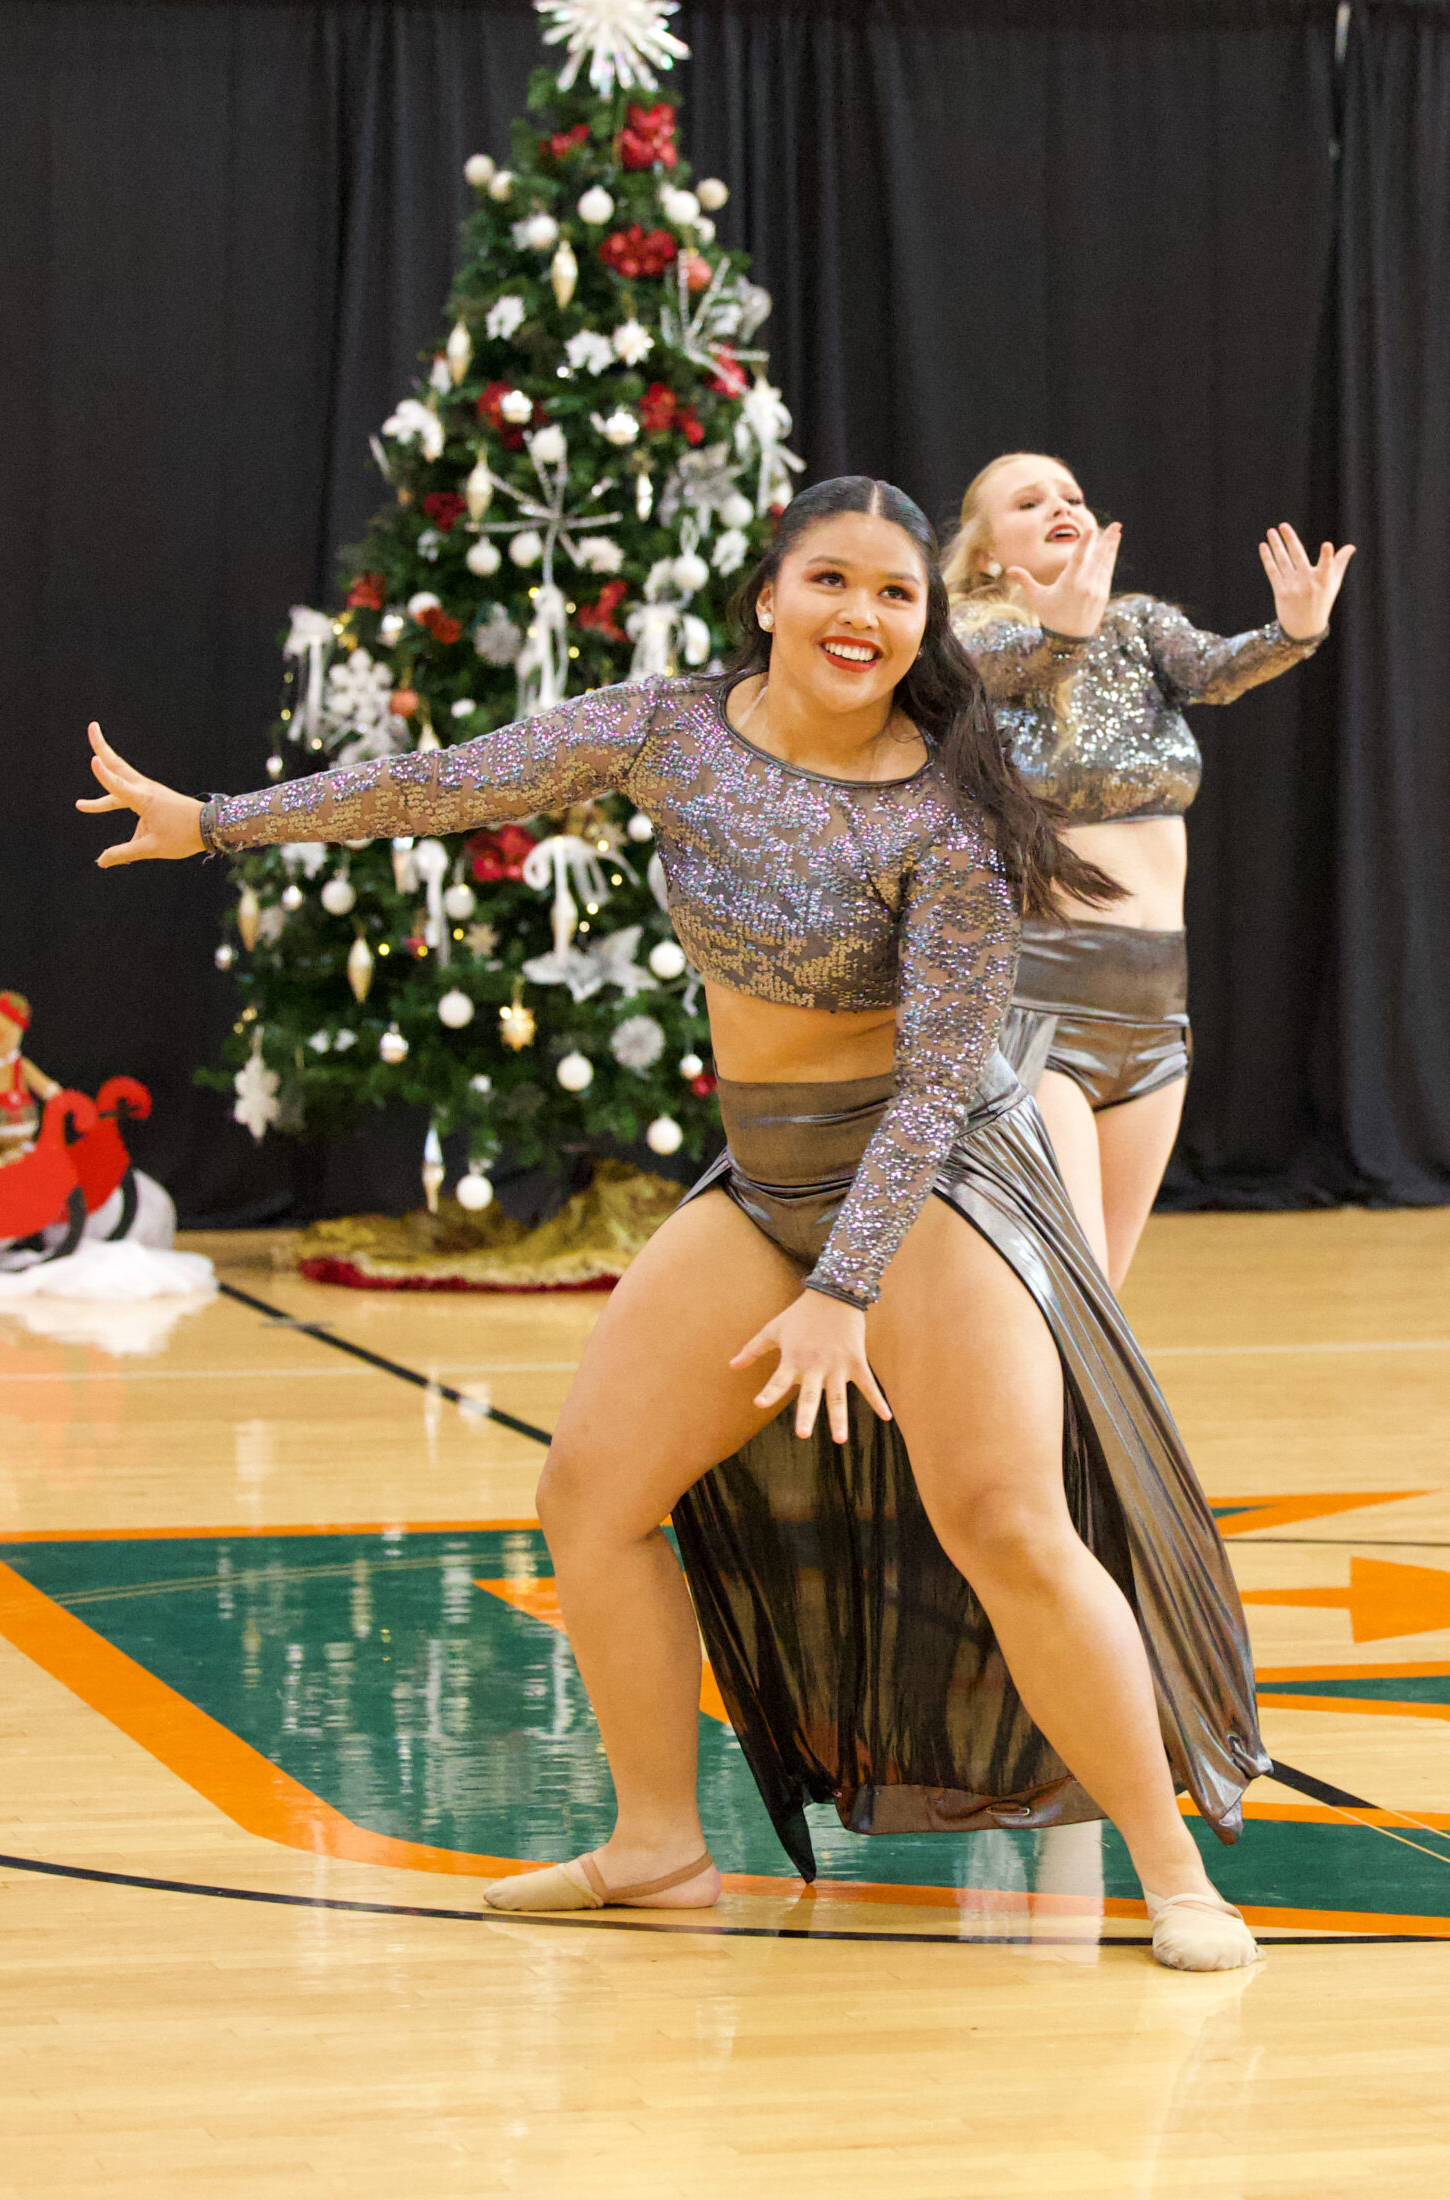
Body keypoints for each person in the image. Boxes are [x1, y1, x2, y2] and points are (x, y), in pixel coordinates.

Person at [79, 476, 1268, 1970]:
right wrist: (216, 822)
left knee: (1002, 1519)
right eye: (829, 580)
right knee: (590, 1494)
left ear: (924, 625)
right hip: (767, 1176)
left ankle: (1173, 1876)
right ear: (767, 596)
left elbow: (931, 1084)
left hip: (934, 1178)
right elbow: (446, 782)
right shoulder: (669, 728)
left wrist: (843, 1290)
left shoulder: (948, 808)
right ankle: (657, 1846)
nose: (860, 614)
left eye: (894, 593)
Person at [946, 455, 1353, 1288]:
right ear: (984, 552)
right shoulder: (967, 636)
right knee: (1066, 1276)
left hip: (1156, 1010)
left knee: (1102, 1287)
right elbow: (1022, 664)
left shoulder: (1136, 626)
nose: (1060, 506)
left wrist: (1292, 633)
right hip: (1040, 1004)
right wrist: (1062, 629)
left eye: (1072, 496)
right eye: (1029, 501)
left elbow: (1217, 670)